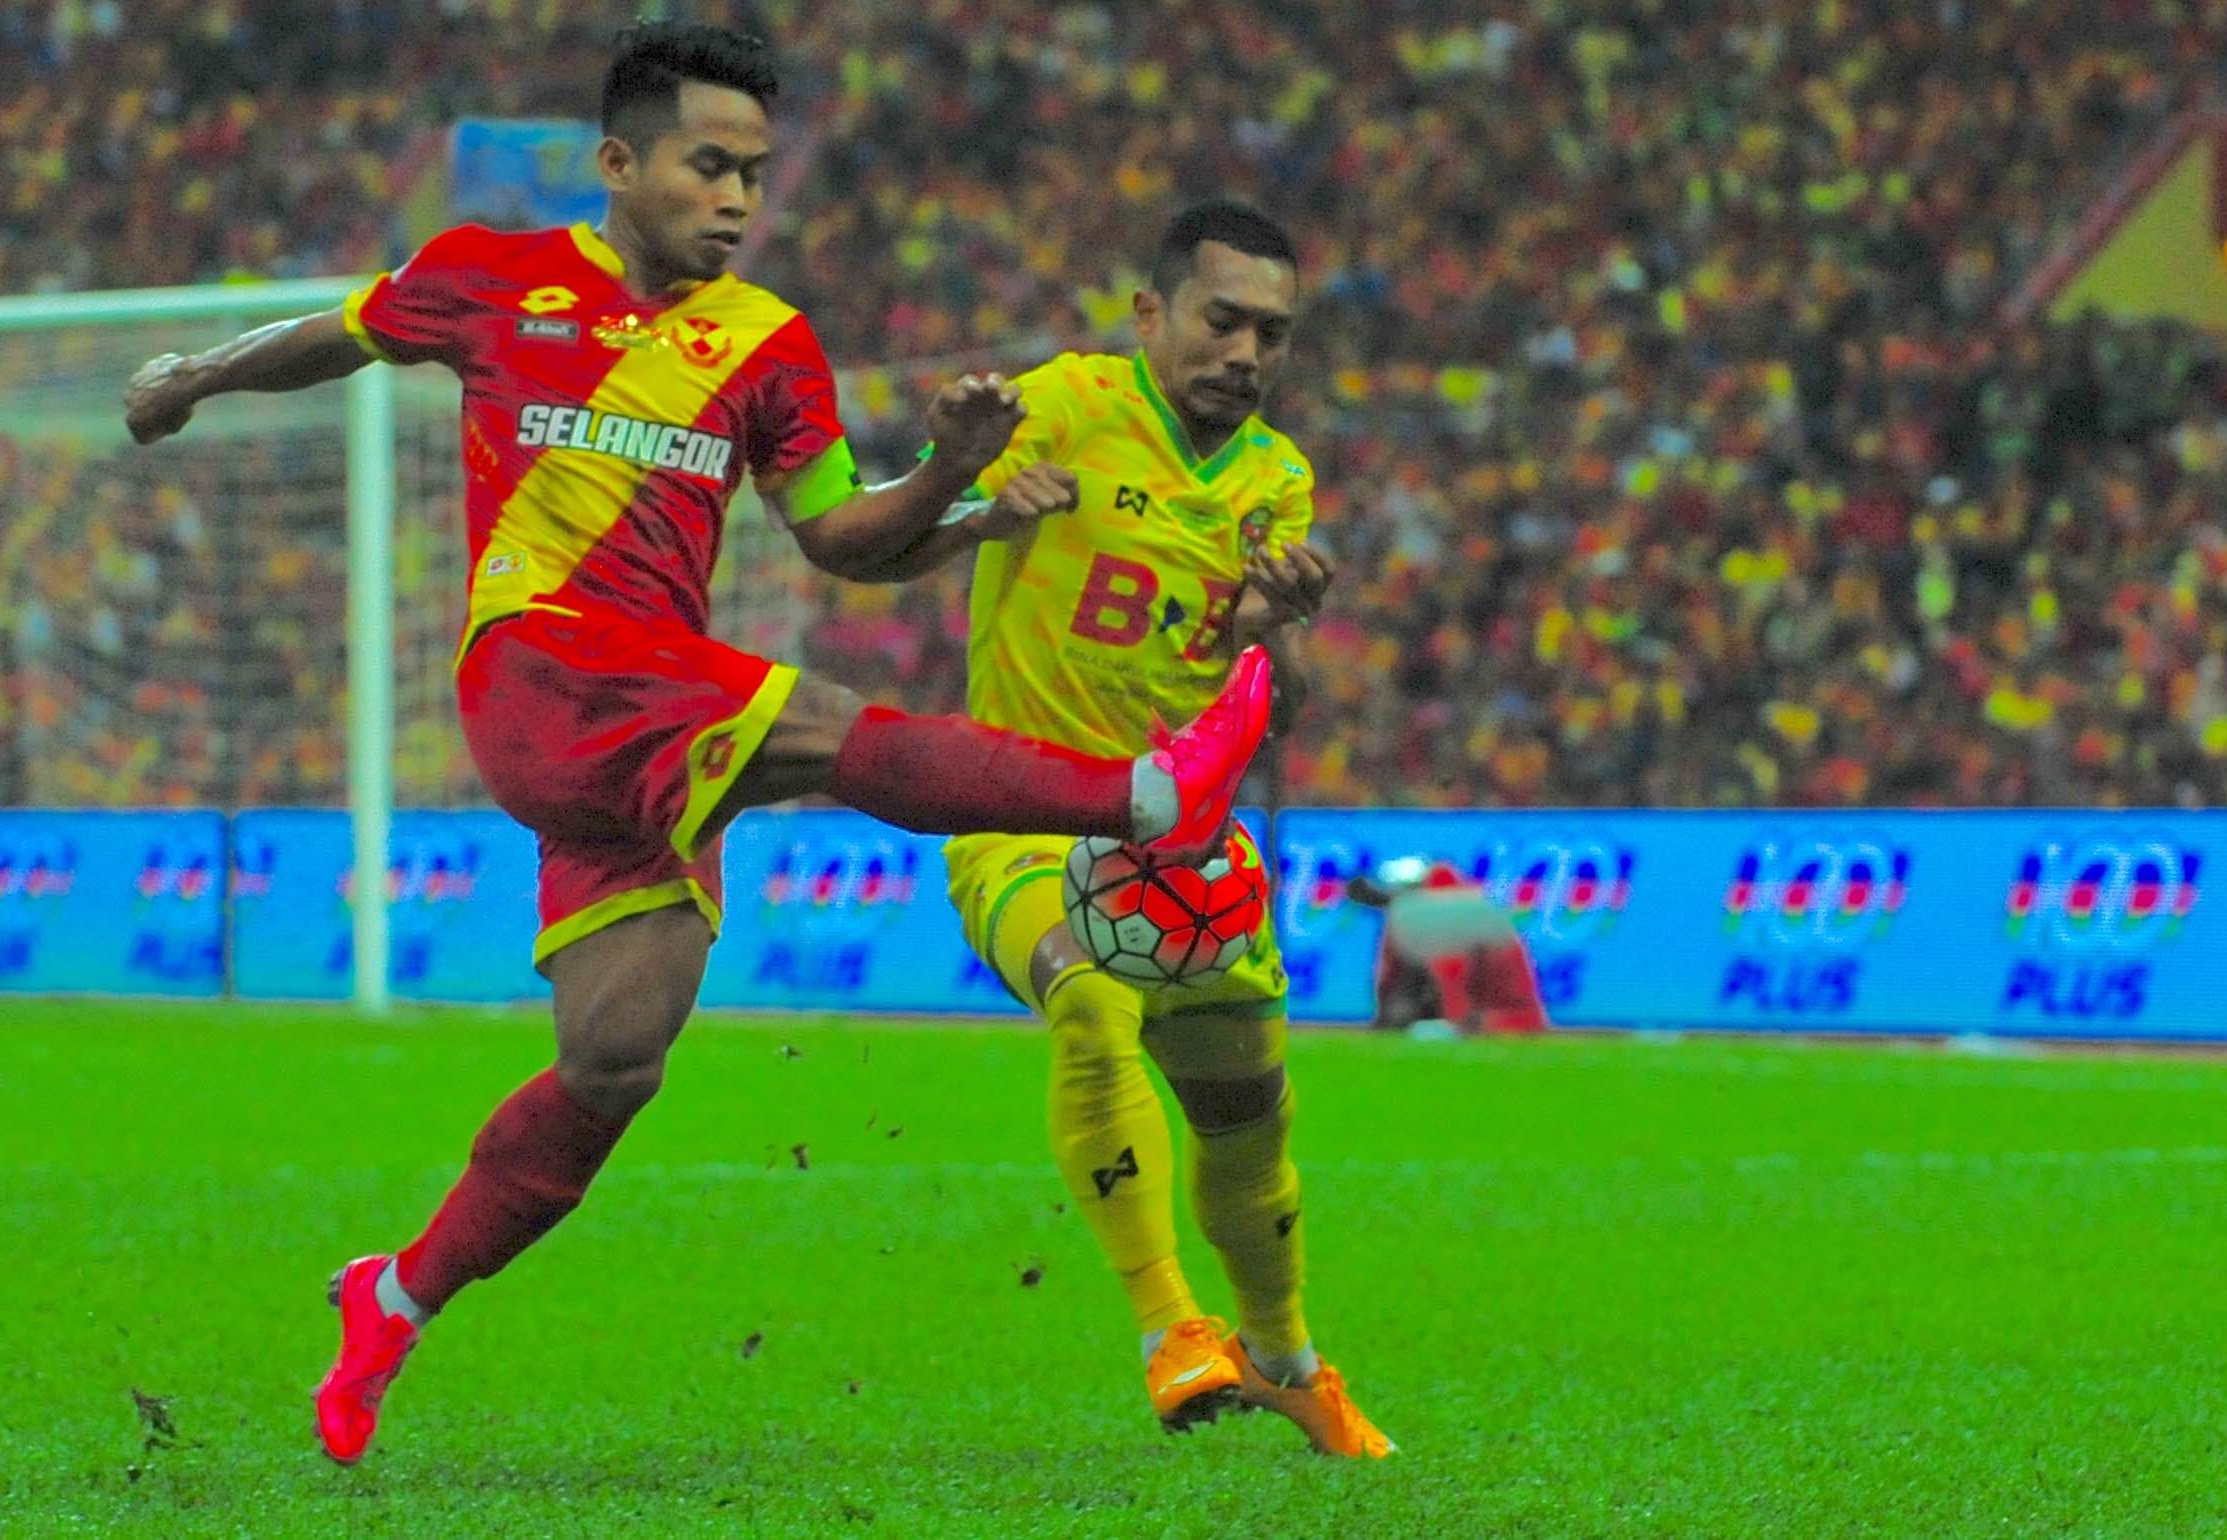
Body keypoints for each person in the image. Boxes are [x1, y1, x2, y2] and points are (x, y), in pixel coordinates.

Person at [121, 23, 1273, 1465]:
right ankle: (1143, 797)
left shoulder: (768, 342)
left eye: (754, 174)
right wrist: (192, 375)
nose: (736, 199)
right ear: (619, 162)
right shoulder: (489, 275)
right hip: (542, 666)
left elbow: (840, 536)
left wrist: (953, 479)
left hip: (651, 734)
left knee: (614, 1062)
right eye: (708, 166)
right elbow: (335, 334)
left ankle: (397, 1296)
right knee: (826, 724)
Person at [851, 201, 1392, 1456]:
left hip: (1186, 849)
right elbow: (872, 547)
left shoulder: (1275, 480)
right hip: (1022, 815)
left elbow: (1272, 713)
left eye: (1272, 333)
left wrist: (1269, 632)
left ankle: (1285, 1357)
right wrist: (976, 506)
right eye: (1222, 320)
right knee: (1089, 994)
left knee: (1250, 1120)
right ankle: (1170, 1328)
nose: (1246, 353)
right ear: (1151, 312)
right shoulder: (1064, 403)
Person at [1350, 858, 1550, 1035]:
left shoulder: (1407, 911)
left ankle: (1457, 1023)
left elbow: (1389, 979)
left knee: (1425, 988)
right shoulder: (1484, 905)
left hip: (1478, 1009)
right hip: (1506, 1011)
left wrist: (1387, 1020)